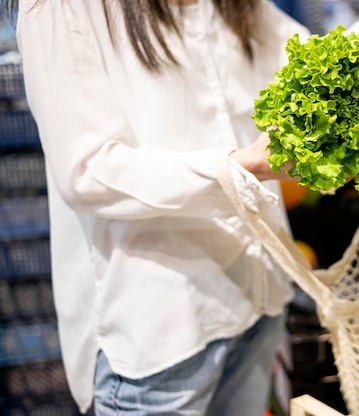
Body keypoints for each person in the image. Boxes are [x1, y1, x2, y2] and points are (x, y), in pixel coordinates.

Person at [7, 0, 309, 414]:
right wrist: (242, 167)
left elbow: (300, 54)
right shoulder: (63, 8)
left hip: (255, 297)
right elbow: (88, 169)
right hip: (163, 328)